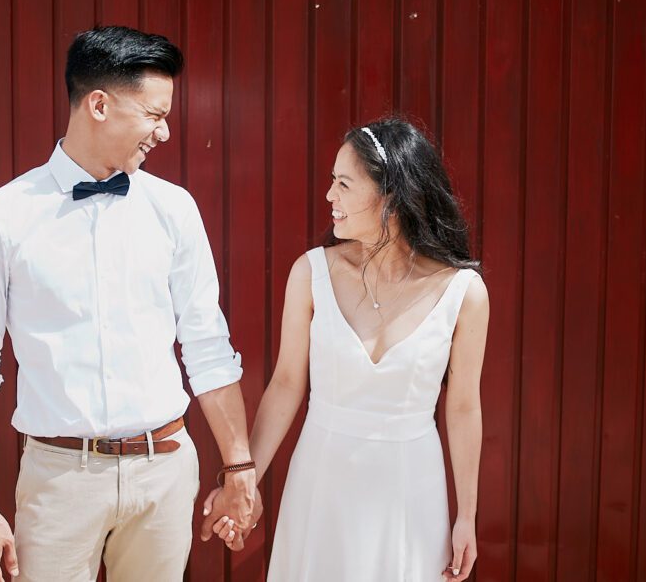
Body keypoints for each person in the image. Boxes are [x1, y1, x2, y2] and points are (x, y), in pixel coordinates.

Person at [0, 26, 255, 582]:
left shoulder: (175, 210)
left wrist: (239, 467)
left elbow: (208, 345)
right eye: (154, 115)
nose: (164, 132)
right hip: (59, 480)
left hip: (165, 472)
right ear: (100, 105)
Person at [205, 117, 489, 580]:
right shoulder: (311, 272)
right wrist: (244, 482)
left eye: (343, 184)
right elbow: (286, 384)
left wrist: (466, 517)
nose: (329, 196)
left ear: (391, 196)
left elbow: (462, 408)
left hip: (411, 491)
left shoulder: (464, 292)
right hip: (321, 484)